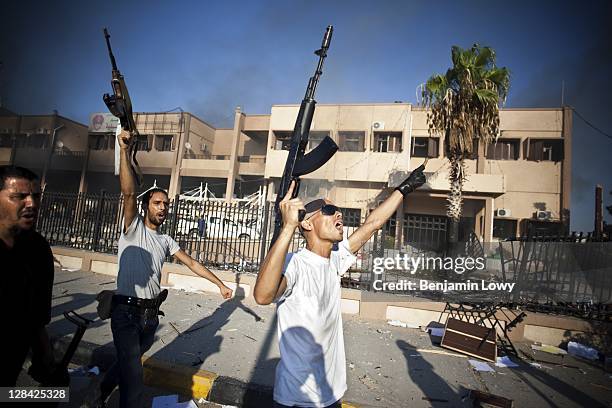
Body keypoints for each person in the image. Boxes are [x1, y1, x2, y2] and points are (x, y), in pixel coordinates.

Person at [254, 166, 426, 408]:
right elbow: (262, 296)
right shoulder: (295, 264)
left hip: (332, 394)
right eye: (328, 210)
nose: (339, 214)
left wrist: (404, 188)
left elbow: (372, 224)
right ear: (307, 224)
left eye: (338, 211)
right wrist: (287, 228)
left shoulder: (334, 259)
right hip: (297, 399)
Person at [99, 130, 233, 407]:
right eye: (157, 203)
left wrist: (219, 284)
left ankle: (96, 394)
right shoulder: (132, 228)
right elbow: (127, 192)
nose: (163, 208)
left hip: (149, 317)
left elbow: (192, 263)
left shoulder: (166, 240)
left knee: (129, 362)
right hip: (125, 312)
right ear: (145, 206)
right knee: (134, 380)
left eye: (166, 205)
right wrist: (124, 151)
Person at [0, 165, 65, 386]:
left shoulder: (37, 249)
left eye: (35, 196)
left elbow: (36, 317)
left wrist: (46, 357)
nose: (31, 204)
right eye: (19, 197)